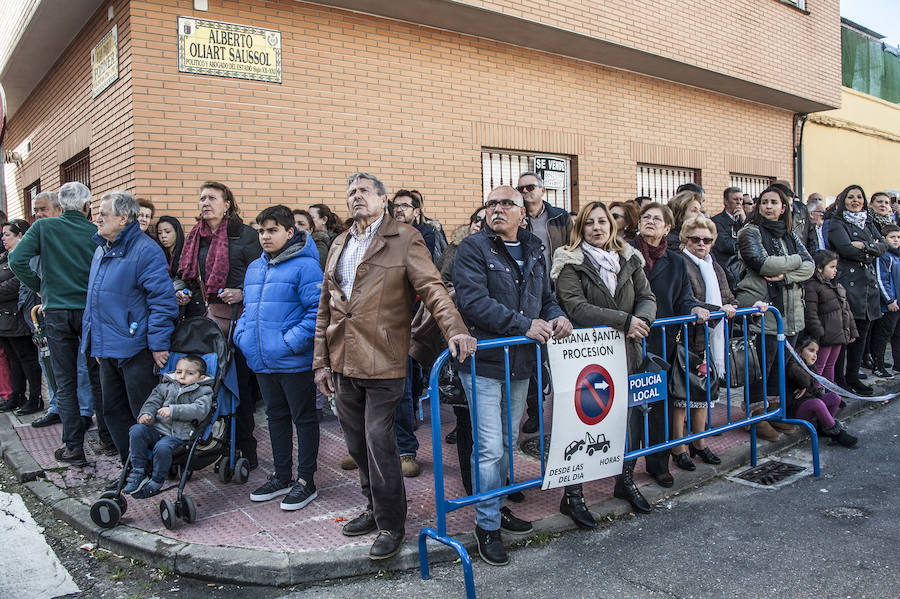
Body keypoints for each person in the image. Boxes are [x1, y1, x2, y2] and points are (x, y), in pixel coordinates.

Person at [313, 172, 475, 561]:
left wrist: (455, 328)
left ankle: (391, 523)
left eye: (364, 191)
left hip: (384, 357)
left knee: (378, 440)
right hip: (342, 359)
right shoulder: (340, 241)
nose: (356, 198)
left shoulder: (404, 237)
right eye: (350, 192)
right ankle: (372, 507)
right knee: (356, 442)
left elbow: (434, 289)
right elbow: (326, 306)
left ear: (383, 199)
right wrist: (320, 362)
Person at [453, 184, 572, 565]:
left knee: (505, 440)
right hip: (485, 364)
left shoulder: (536, 248)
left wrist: (556, 315)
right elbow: (473, 303)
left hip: (519, 363)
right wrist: (524, 325)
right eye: (492, 203)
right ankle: (486, 525)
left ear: (524, 213)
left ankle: (497, 505)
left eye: (507, 203)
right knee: (488, 447)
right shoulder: (473, 248)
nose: (497, 208)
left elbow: (546, 296)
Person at [551, 200, 656, 517]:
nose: (597, 228)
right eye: (589, 223)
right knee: (583, 424)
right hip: (588, 359)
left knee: (632, 419)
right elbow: (575, 307)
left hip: (629, 351)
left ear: (612, 226)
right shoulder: (569, 262)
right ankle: (573, 495)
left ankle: (625, 480)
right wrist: (624, 321)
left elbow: (648, 297)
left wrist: (643, 321)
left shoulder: (629, 259)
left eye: (603, 222)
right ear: (580, 228)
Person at [236, 206, 323, 510]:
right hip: (262, 359)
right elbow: (248, 310)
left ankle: (305, 480)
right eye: (261, 231)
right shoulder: (256, 268)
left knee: (304, 418)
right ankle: (282, 475)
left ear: (289, 232)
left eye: (272, 230)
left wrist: (287, 343)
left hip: (293, 359)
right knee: (275, 417)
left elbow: (317, 314)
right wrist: (243, 337)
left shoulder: (306, 266)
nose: (265, 236)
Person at [9, 182, 102, 466]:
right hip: (88, 311)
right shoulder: (94, 231)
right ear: (87, 207)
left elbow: (16, 260)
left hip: (58, 311)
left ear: (60, 205)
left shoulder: (43, 228)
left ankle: (74, 447)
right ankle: (108, 439)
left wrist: (41, 286)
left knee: (65, 381)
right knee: (97, 375)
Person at [82, 191, 179, 464]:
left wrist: (159, 343)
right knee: (112, 411)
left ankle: (155, 466)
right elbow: (94, 300)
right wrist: (94, 342)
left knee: (143, 412)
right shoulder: (102, 249)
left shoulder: (146, 251)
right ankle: (132, 465)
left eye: (103, 213)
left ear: (123, 218)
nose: (97, 218)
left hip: (135, 347)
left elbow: (162, 300)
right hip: (108, 347)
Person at [177, 181, 262, 468]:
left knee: (241, 387)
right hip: (207, 322)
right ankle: (218, 443)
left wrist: (242, 292)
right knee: (213, 387)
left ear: (227, 204)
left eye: (212, 198)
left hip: (240, 319)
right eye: (201, 197)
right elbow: (184, 275)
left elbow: (263, 277)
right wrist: (181, 290)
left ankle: (245, 448)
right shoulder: (195, 238)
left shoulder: (246, 236)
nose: (205, 203)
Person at [633, 202, 708, 487]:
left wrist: (694, 309)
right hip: (629, 340)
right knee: (628, 406)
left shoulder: (676, 261)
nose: (650, 221)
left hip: (661, 341)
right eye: (646, 217)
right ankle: (625, 467)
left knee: (659, 406)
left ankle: (658, 463)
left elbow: (683, 298)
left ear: (668, 227)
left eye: (657, 219)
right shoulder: (623, 252)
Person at [671, 215, 744, 470]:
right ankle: (678, 447)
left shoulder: (713, 265)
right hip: (686, 339)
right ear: (685, 239)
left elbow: (728, 296)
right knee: (682, 397)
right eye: (695, 239)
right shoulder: (679, 262)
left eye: (706, 240)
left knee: (704, 394)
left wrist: (735, 307)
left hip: (710, 340)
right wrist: (718, 309)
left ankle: (699, 442)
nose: (701, 244)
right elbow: (685, 299)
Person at [735, 184, 814, 400]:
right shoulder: (749, 232)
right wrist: (796, 260)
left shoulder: (790, 235)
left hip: (791, 313)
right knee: (761, 370)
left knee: (782, 367)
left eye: (774, 203)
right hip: (764, 312)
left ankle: (775, 412)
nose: (768, 206)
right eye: (764, 202)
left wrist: (787, 276)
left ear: (783, 208)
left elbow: (811, 266)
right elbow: (763, 264)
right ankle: (756, 416)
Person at [516, 171, 573, 434]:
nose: (525, 192)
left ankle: (567, 412)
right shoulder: (516, 218)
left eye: (529, 187)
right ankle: (535, 412)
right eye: (521, 189)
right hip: (531, 295)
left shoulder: (560, 218)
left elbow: (575, 250)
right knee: (534, 359)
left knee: (564, 358)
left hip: (560, 293)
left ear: (542, 190)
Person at [122, 355, 214, 498]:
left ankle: (157, 481)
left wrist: (173, 410)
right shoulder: (166, 386)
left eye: (189, 373)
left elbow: (199, 410)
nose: (182, 376)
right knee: (136, 430)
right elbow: (152, 402)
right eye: (179, 371)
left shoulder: (204, 391)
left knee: (162, 447)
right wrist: (146, 414)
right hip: (157, 429)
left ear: (201, 378)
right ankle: (138, 470)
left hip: (178, 435)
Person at [827, 185, 886, 396]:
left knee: (861, 335)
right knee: (846, 336)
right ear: (843, 200)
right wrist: (870, 248)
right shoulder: (836, 223)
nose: (855, 200)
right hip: (848, 286)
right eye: (850, 197)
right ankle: (840, 380)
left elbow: (883, 246)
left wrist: (865, 247)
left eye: (859, 197)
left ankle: (853, 375)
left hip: (868, 287)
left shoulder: (868, 222)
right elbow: (845, 249)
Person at [0, 220, 43, 415]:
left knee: (27, 359)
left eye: (7, 234)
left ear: (20, 236)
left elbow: (16, 284)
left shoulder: (24, 259)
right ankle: (17, 396)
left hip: (19, 317)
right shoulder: (5, 258)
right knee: (13, 359)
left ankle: (35, 398)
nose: (3, 238)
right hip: (5, 319)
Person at [786, 336, 858, 447]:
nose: (815, 355)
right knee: (817, 403)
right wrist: (806, 384)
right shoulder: (793, 365)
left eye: (816, 352)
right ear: (799, 352)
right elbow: (804, 381)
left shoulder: (810, 367)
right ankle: (837, 433)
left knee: (834, 397)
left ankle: (824, 427)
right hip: (795, 407)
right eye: (811, 351)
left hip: (808, 401)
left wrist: (808, 386)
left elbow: (812, 388)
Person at [804, 250, 857, 384]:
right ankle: (817, 396)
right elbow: (811, 313)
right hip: (825, 337)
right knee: (819, 367)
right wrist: (820, 334)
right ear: (820, 268)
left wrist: (852, 330)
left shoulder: (837, 286)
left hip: (838, 335)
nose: (835, 270)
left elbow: (846, 310)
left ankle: (830, 396)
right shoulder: (813, 286)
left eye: (836, 267)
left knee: (830, 366)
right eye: (832, 267)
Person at [872, 224, 900, 377]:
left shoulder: (897, 255)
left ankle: (898, 364)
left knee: (898, 335)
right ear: (884, 239)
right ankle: (878, 366)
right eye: (892, 237)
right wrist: (889, 300)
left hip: (898, 304)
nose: (896, 240)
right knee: (883, 336)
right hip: (889, 305)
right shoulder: (884, 256)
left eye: (898, 237)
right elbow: (881, 279)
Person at [437, 207, 485, 283]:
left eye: (484, 222)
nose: (478, 224)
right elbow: (444, 278)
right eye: (477, 219)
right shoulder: (457, 245)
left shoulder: (495, 250)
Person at [711, 187, 745, 289]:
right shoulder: (716, 221)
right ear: (726, 201)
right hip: (726, 268)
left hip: (742, 268)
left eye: (741, 199)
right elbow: (726, 245)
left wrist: (744, 222)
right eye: (735, 199)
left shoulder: (745, 221)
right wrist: (745, 246)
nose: (739, 203)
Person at [391, 190, 437, 259]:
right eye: (396, 206)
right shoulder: (386, 232)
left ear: (416, 212)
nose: (398, 210)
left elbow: (420, 260)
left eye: (404, 205)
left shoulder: (425, 233)